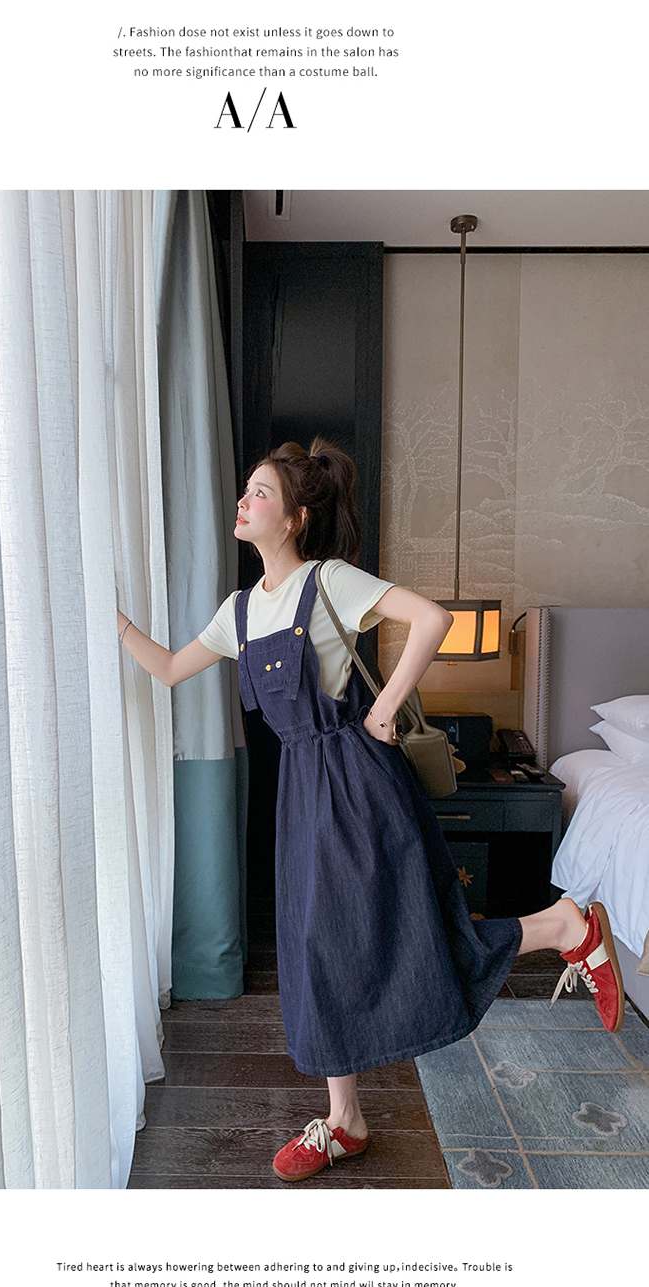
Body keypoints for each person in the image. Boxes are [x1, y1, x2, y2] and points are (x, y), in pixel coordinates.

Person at [117, 439, 624, 1184]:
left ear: (295, 517)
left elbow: (431, 619)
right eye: (245, 492)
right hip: (301, 790)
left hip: (358, 779)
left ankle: (564, 927)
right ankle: (345, 1120)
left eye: (259, 493)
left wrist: (384, 708)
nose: (243, 502)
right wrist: (108, 618)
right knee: (317, 946)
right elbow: (167, 669)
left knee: (403, 932)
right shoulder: (239, 612)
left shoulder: (329, 582)